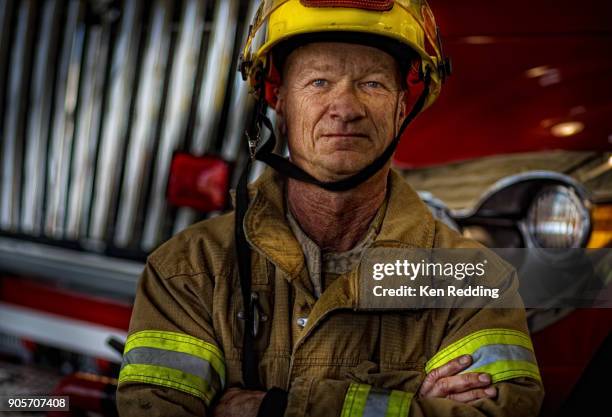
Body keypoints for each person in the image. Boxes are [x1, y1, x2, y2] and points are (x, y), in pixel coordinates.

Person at [116, 1, 544, 416]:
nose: (345, 108)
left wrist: (269, 407)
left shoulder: (475, 281)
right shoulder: (189, 269)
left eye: (372, 83)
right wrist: (411, 402)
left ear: (401, 108)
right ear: (278, 100)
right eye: (319, 81)